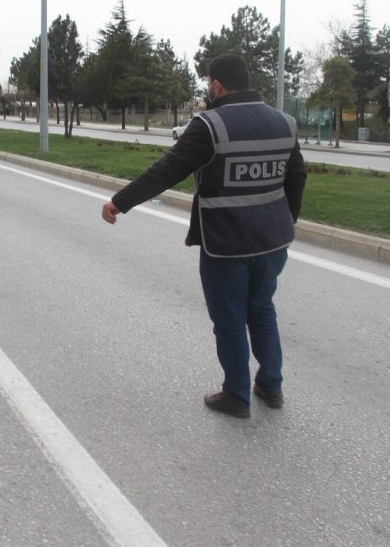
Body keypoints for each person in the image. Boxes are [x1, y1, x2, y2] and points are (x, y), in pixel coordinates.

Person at [101, 54, 307, 418]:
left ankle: (237, 395)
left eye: (208, 82)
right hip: (273, 242)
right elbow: (297, 178)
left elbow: (167, 171)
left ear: (217, 84)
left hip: (226, 243)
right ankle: (271, 386)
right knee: (261, 309)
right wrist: (285, 220)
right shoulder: (285, 122)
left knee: (229, 319)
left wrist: (121, 201)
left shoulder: (210, 125)